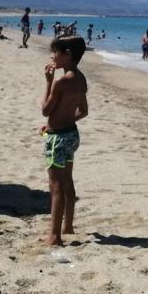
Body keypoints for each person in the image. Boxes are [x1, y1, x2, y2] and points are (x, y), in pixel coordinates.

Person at [40, 35, 89, 246]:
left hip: (57, 139)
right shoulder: (81, 79)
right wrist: (63, 121)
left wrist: (49, 82)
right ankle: (68, 225)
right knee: (67, 180)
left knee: (56, 185)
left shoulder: (61, 82)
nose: (52, 56)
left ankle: (54, 236)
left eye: (55, 52)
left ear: (67, 54)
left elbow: (45, 110)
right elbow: (83, 111)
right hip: (71, 134)